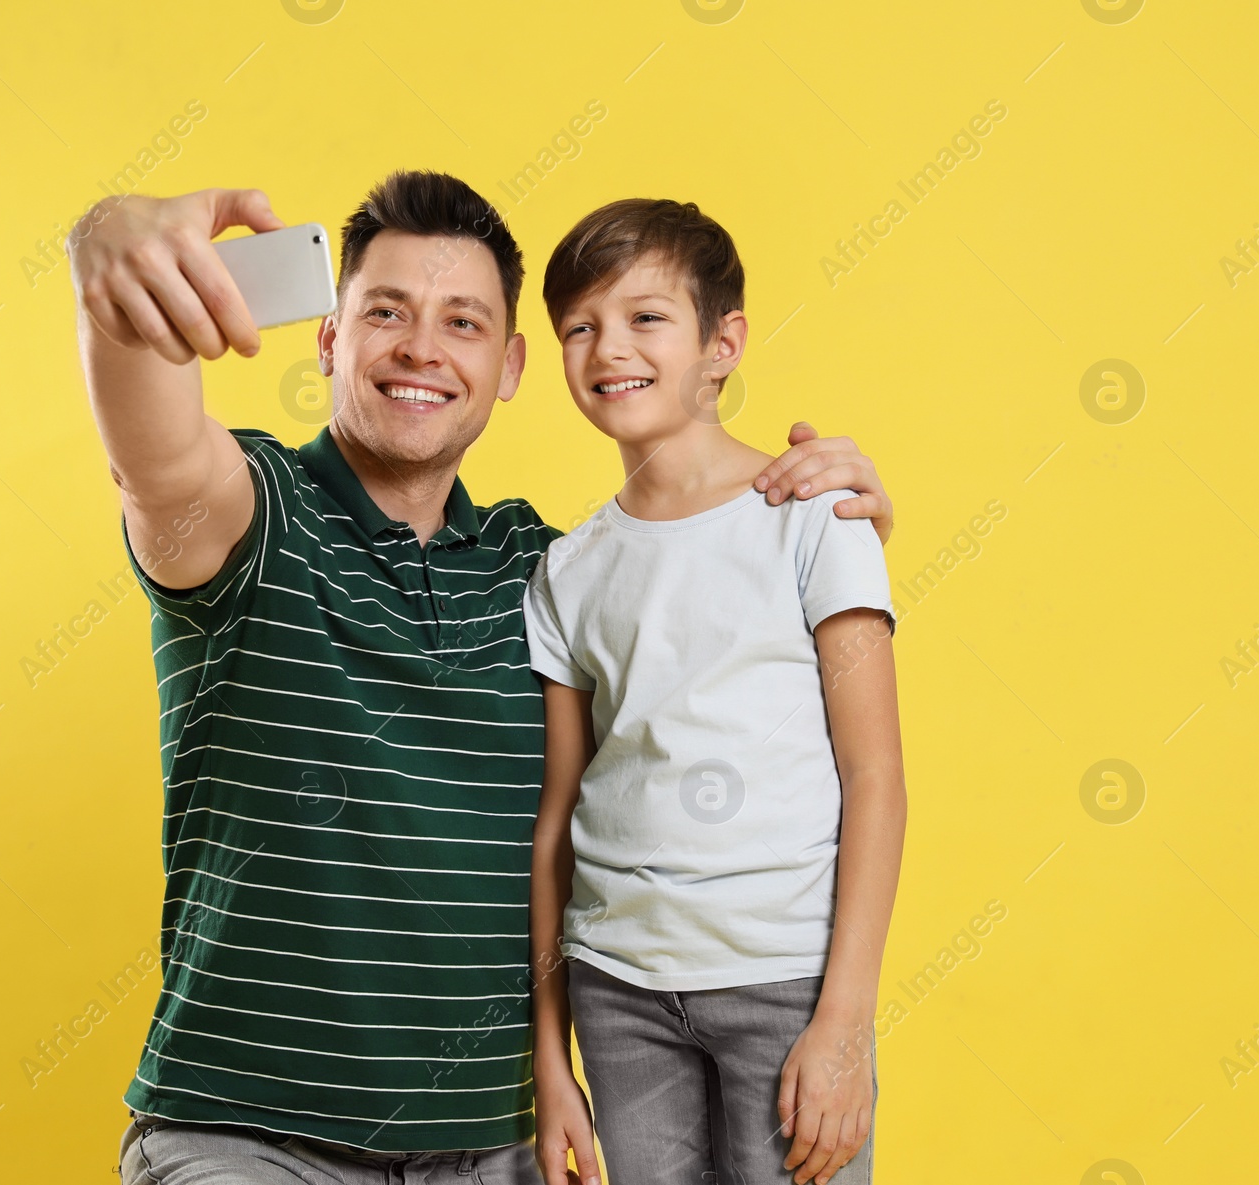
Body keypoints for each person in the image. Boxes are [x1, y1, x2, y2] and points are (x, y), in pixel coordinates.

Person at [66, 170, 896, 1183]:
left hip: (492, 1153)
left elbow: (712, 635)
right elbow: (151, 457)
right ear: (329, 340)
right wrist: (114, 251)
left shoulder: (551, 571)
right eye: (385, 313)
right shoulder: (249, 516)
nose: (421, 347)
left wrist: (826, 517)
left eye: (461, 322)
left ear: (506, 369)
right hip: (249, 1141)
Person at [524, 199, 906, 1185]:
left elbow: (875, 776)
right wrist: (548, 1059)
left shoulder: (819, 513)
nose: (609, 346)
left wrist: (845, 1022)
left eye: (646, 317)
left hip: (783, 986)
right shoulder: (568, 569)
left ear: (721, 343)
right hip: (619, 996)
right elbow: (557, 818)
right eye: (580, 325)